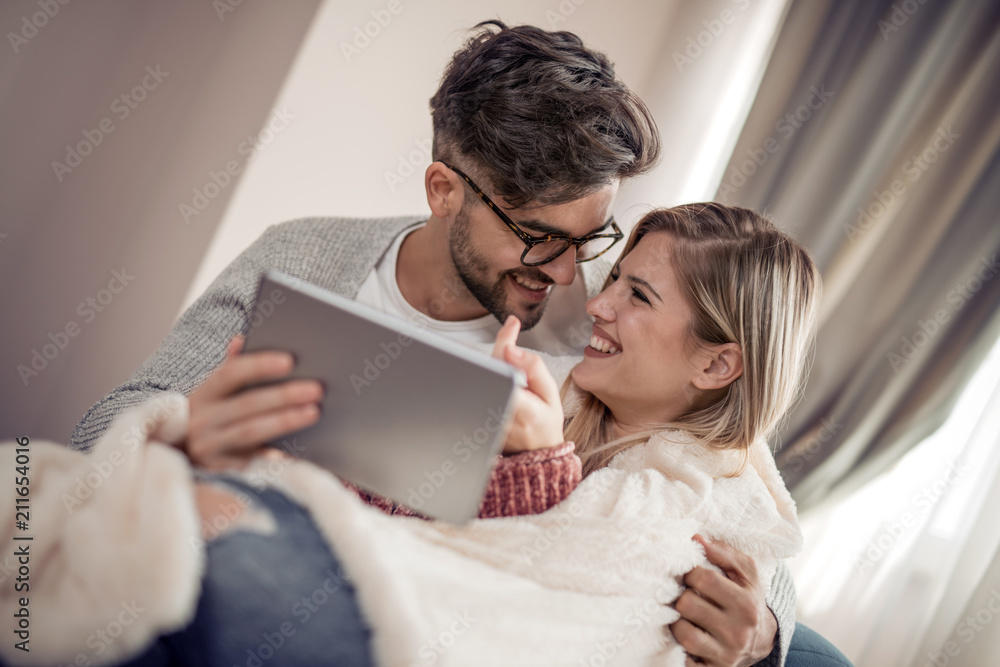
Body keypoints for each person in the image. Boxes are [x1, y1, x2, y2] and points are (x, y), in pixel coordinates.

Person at [64, 21, 837, 667]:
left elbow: (739, 491)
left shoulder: (609, 323)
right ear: (443, 190)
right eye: (538, 237)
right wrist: (190, 429)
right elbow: (104, 426)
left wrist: (765, 635)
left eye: (588, 235)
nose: (571, 273)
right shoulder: (300, 258)